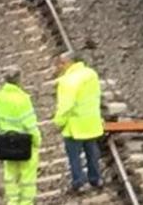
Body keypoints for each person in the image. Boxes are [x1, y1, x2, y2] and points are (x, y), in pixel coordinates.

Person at [54, 51, 104, 194]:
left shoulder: (67, 80)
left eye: (62, 63)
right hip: (92, 122)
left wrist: (58, 121)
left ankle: (79, 182)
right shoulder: (91, 74)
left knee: (74, 156)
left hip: (74, 125)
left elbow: (66, 105)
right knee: (92, 152)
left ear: (70, 63)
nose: (60, 66)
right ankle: (96, 179)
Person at [0, 66, 40, 205]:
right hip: (24, 143)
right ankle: (26, 202)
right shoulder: (22, 98)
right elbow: (29, 124)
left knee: (10, 175)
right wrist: (37, 140)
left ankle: (12, 202)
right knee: (27, 177)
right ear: (19, 80)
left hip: (6, 142)